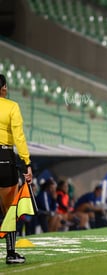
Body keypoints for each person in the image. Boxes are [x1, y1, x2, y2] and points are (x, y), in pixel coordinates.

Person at [0, 74, 33, 264]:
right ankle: (11, 253)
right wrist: (26, 163)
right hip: (4, 159)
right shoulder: (11, 106)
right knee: (9, 210)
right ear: (3, 87)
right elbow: (19, 137)